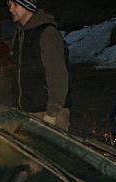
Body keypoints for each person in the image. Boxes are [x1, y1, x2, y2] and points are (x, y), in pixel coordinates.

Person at [8, 0, 71, 130]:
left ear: (27, 5)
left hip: (47, 114)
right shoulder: (20, 34)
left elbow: (57, 74)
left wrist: (52, 112)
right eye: (9, 5)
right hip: (27, 113)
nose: (11, 9)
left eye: (15, 5)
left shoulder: (46, 33)